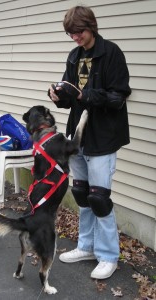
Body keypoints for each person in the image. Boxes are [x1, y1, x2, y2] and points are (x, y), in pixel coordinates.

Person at [48, 5, 131, 279]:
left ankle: (108, 256)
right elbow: (72, 97)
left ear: (91, 27)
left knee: (99, 197)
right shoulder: (74, 56)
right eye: (71, 33)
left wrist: (85, 96)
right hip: (78, 135)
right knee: (83, 194)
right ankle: (86, 247)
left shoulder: (111, 54)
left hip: (103, 137)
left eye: (79, 32)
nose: (75, 37)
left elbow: (118, 97)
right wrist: (59, 96)